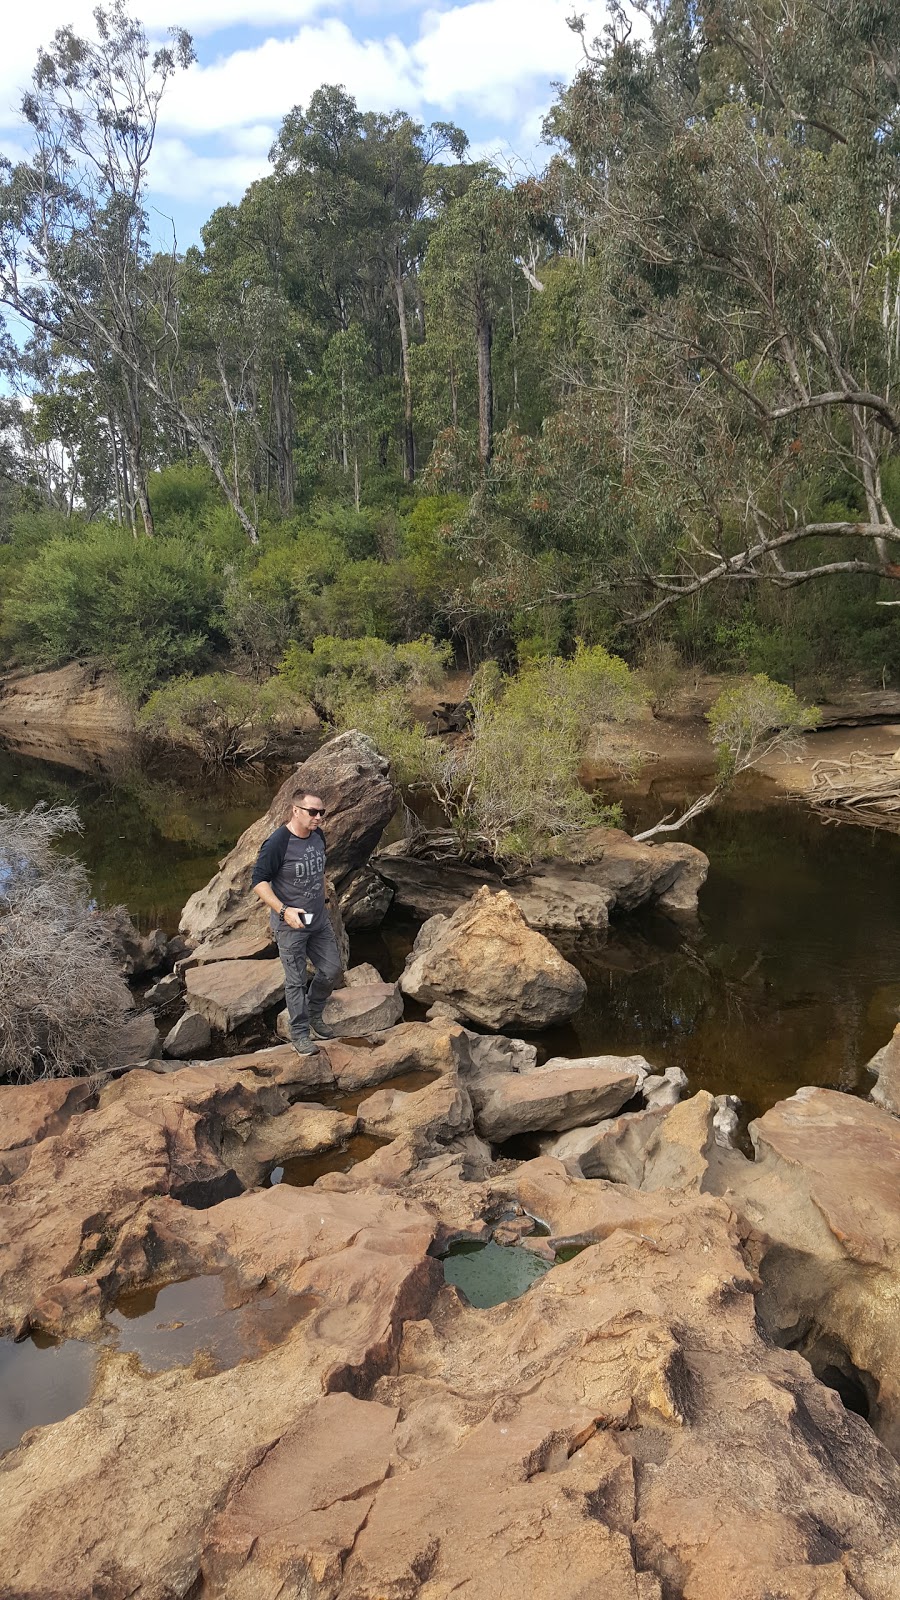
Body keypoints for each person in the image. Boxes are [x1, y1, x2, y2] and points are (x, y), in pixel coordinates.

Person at [251, 788, 343, 1056]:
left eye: (321, 813)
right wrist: (284, 911)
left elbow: (320, 871)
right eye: (312, 812)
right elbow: (258, 882)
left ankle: (314, 1014)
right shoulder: (277, 842)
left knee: (332, 970)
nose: (318, 818)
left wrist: (324, 898)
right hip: (290, 924)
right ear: (295, 810)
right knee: (296, 981)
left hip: (318, 919)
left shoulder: (318, 836)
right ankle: (300, 1034)